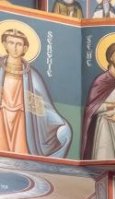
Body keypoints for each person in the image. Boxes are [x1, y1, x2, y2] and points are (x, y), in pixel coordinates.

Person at [0, 29, 70, 157]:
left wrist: (60, 124)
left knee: (20, 156)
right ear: (4, 44)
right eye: (11, 43)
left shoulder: (32, 76)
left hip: (22, 119)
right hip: (1, 116)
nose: (15, 47)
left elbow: (43, 107)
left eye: (19, 44)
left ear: (25, 48)